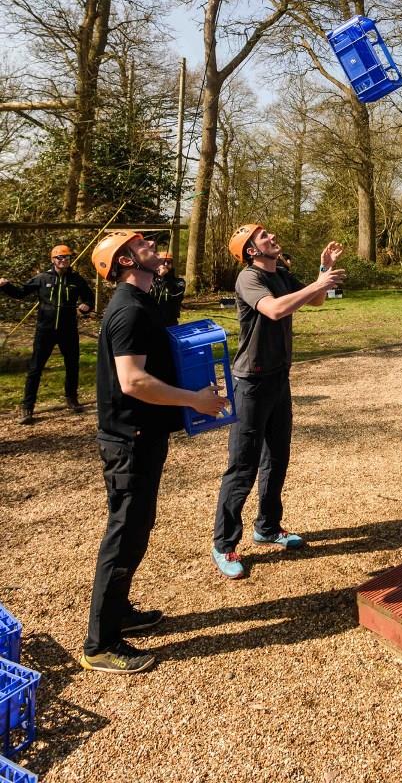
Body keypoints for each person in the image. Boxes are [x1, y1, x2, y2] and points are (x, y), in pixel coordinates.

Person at [81, 229, 226, 673]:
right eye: (142, 247)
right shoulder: (126, 311)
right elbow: (133, 381)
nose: (154, 249)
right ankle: (100, 644)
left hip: (145, 437)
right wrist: (194, 400)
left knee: (138, 525)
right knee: (125, 531)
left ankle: (119, 613)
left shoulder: (145, 304)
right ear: (125, 262)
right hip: (129, 441)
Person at [211, 225, 345, 579]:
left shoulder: (281, 272)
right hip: (250, 382)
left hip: (277, 378)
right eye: (263, 237)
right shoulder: (248, 279)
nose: (271, 237)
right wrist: (317, 284)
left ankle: (267, 528)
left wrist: (321, 271)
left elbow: (313, 300)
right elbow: (273, 310)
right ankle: (224, 543)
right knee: (243, 466)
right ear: (252, 251)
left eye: (268, 233)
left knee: (277, 457)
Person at [0, 244, 94, 424]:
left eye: (66, 257)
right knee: (35, 369)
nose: (64, 260)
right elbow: (21, 293)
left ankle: (72, 399)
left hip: (69, 331)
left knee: (72, 365)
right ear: (53, 260)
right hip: (45, 330)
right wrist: (5, 286)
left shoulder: (77, 279)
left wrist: (86, 306)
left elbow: (89, 298)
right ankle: (27, 407)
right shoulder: (42, 278)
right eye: (60, 257)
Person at [151, 250, 186, 326]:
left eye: (169, 262)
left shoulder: (179, 282)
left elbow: (176, 294)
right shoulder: (148, 281)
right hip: (150, 322)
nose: (166, 264)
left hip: (170, 322)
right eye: (163, 262)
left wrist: (166, 277)